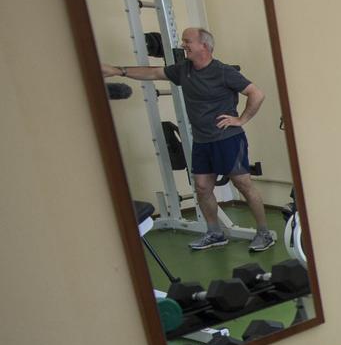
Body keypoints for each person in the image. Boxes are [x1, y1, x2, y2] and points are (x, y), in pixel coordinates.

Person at [102, 27, 274, 252]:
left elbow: (256, 94)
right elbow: (153, 73)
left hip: (228, 139)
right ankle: (214, 233)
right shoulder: (184, 70)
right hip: (202, 141)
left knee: (243, 184)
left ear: (204, 45)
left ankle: (264, 233)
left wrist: (241, 119)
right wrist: (117, 71)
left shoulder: (222, 71)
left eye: (187, 41)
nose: (183, 45)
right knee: (202, 188)